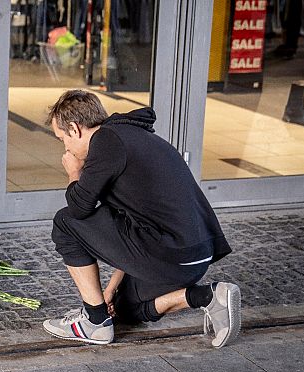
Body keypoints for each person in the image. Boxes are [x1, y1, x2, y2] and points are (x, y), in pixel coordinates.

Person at [42, 90, 240, 348]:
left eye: (62, 139)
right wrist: (110, 290)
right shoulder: (133, 137)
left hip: (172, 254)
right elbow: (130, 223)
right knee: (124, 308)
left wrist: (74, 173)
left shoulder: (106, 141)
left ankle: (93, 323)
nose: (66, 148)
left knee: (65, 223)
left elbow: (79, 208)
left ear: (75, 129)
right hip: (193, 257)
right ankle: (208, 296)